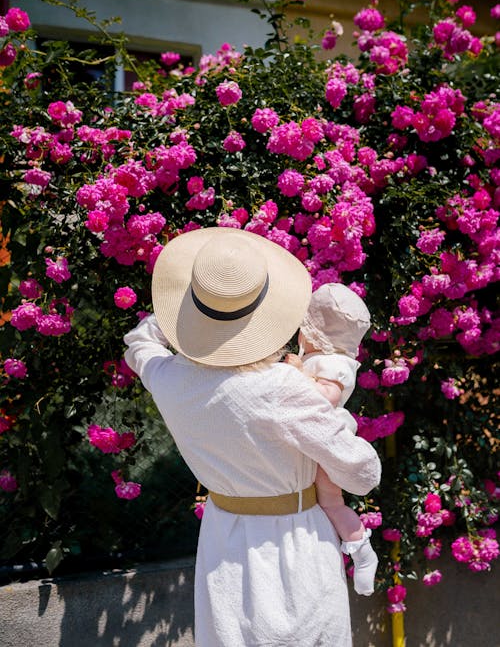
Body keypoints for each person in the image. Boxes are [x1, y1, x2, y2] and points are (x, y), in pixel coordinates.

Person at [123, 227, 381, 647]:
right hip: (295, 543)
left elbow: (139, 344)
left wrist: (187, 314)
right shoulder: (284, 386)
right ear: (264, 312)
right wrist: (343, 424)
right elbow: (362, 473)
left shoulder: (169, 377)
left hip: (222, 540)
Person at [285, 283, 379, 596]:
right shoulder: (315, 358)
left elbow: (325, 398)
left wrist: (296, 375)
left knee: (331, 502)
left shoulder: (335, 364)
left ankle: (360, 549)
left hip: (326, 443)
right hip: (308, 442)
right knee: (319, 503)